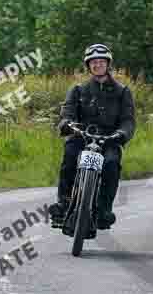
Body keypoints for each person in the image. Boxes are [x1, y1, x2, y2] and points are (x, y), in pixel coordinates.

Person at [48, 44, 136, 230]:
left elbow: (128, 120)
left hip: (109, 139)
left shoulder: (122, 92)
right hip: (82, 136)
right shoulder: (78, 90)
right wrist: (67, 124)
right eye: (93, 62)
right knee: (70, 155)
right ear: (88, 66)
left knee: (112, 164)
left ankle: (104, 209)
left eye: (101, 62)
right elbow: (67, 113)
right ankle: (63, 202)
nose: (97, 65)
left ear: (108, 64)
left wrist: (122, 134)